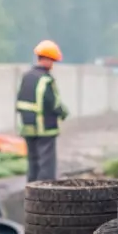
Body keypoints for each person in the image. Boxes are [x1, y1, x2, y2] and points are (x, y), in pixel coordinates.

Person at [16, 40, 69, 183]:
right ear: (46, 60)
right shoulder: (46, 80)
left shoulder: (27, 77)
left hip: (28, 127)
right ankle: (45, 194)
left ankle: (31, 193)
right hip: (45, 129)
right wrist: (63, 113)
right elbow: (54, 103)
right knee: (46, 164)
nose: (52, 65)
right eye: (52, 61)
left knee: (32, 163)